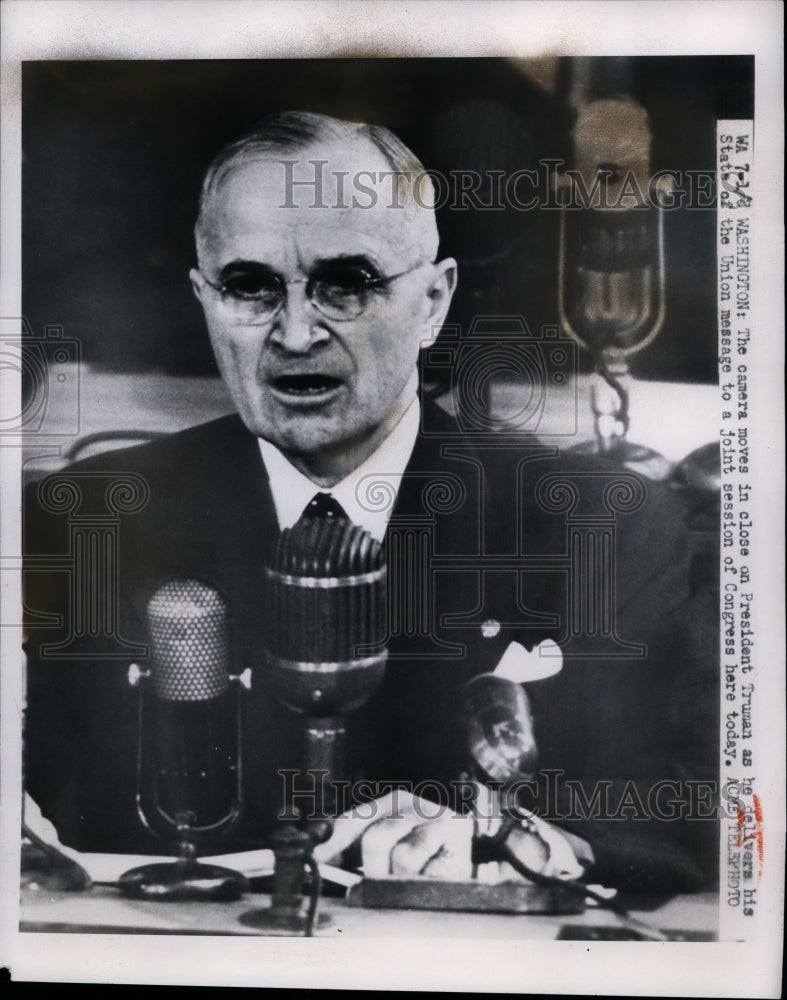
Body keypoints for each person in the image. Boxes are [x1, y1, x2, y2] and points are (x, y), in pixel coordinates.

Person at [23, 111, 718, 893]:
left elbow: (691, 794)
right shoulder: (85, 519)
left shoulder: (597, 523)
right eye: (249, 288)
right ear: (202, 298)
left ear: (431, 302)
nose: (291, 333)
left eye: (344, 285)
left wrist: (536, 843)